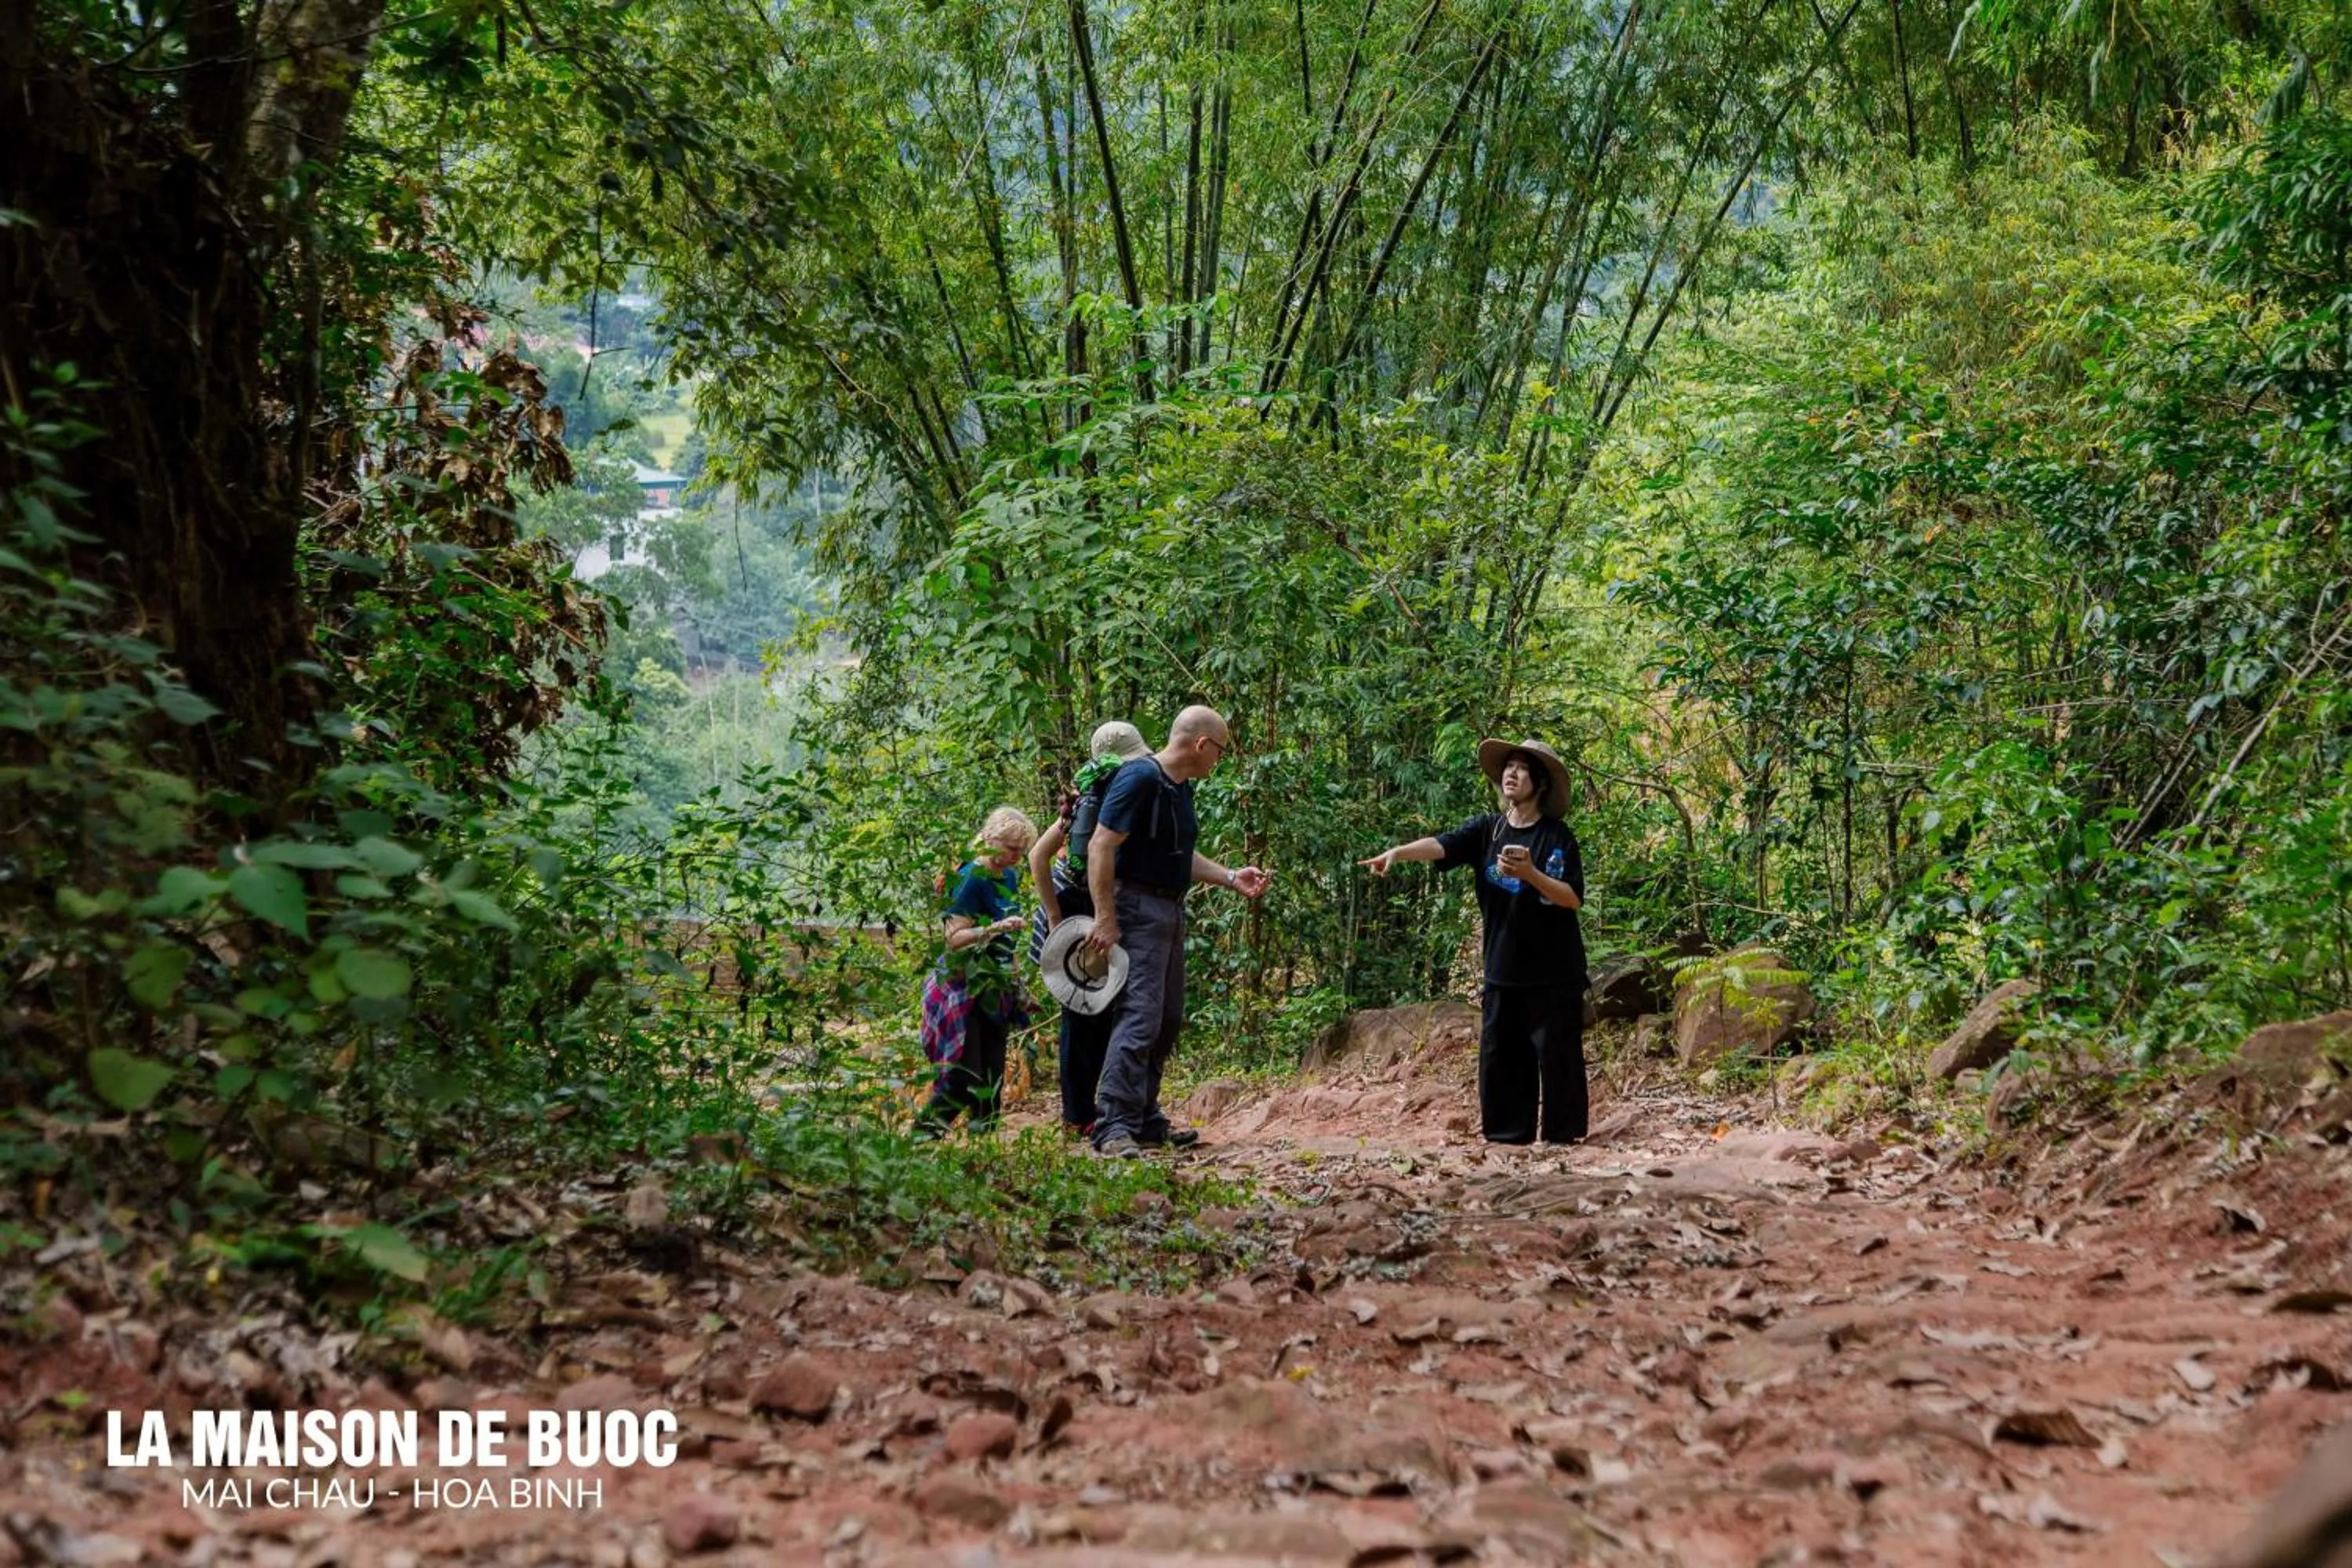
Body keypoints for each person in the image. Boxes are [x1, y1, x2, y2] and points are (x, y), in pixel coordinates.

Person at [1359, 739, 1588, 1145]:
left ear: (1540, 783)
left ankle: (1562, 1139)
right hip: (1503, 966)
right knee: (1502, 1058)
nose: (1511, 774)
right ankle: (1507, 1137)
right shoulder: (1488, 829)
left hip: (1555, 971)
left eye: (1522, 769)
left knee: (1558, 1059)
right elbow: (1443, 845)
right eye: (1508, 767)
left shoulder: (1557, 837)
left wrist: (1531, 874)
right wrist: (1398, 851)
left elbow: (1571, 898)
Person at [1083, 706, 1271, 1157]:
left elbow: (1178, 854)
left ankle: (1146, 1118)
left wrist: (1230, 877)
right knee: (1139, 1016)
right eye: (1220, 752)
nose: (1218, 762)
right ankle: (1113, 1125)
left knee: (1166, 1018)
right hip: (1135, 908)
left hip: (1169, 909)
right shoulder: (1140, 778)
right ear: (1201, 744)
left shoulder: (1178, 789)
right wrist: (1106, 918)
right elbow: (1101, 845)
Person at [1029, 720, 1154, 1138]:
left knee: (1092, 1013)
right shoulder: (1098, 800)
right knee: (1084, 1015)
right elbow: (1038, 857)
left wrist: (1054, 914)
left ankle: (1087, 1110)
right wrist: (1054, 917)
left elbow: (1038, 857)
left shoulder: (1086, 798)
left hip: (1080, 911)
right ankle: (1080, 1113)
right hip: (1085, 912)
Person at [916, 806, 1039, 1136]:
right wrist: (995, 928)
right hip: (962, 986)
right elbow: (953, 939)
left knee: (992, 1077)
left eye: (1021, 851)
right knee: (964, 1075)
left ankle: (983, 1152)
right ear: (990, 839)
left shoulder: (1009, 877)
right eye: (1012, 849)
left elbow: (1009, 943)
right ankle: (921, 1137)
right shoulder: (970, 878)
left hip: (995, 988)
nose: (1016, 857)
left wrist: (1020, 986)